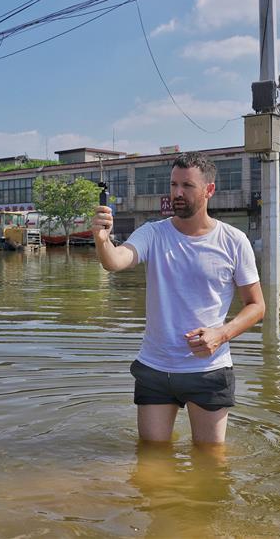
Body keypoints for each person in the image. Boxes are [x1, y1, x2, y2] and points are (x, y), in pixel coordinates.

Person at [91, 152, 265, 445]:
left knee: (211, 462)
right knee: (151, 456)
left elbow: (257, 305)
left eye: (187, 186)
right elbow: (115, 262)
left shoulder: (233, 240)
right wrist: (102, 239)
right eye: (173, 185)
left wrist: (221, 334)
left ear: (209, 190)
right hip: (155, 368)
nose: (177, 193)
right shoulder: (153, 233)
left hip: (208, 369)